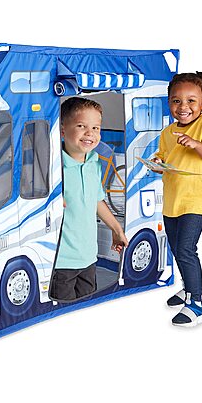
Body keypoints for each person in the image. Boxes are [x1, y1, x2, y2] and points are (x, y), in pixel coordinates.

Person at [152, 72, 202, 327]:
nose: (183, 107)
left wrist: (195, 143)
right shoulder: (167, 132)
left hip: (196, 199)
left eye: (191, 101)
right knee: (175, 247)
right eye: (176, 101)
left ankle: (196, 303)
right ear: (169, 103)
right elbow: (163, 156)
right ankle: (190, 285)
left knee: (185, 249)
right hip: (173, 199)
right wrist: (157, 163)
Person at [50, 97, 128, 302]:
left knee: (86, 308)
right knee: (64, 313)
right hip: (61, 262)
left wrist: (116, 229)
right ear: (62, 130)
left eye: (95, 128)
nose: (90, 133)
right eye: (81, 126)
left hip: (88, 257)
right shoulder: (54, 167)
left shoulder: (94, 162)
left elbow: (96, 200)